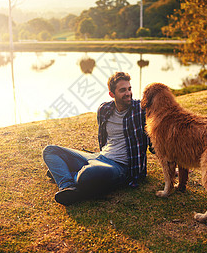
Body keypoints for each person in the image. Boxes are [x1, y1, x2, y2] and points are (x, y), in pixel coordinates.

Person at [42, 72, 150, 206]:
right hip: (99, 158)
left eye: (129, 89)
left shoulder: (140, 110)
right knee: (50, 151)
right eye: (122, 90)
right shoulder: (104, 110)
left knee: (88, 173)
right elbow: (103, 139)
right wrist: (97, 158)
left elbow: (156, 139)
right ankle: (67, 186)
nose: (128, 93)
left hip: (121, 168)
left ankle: (65, 173)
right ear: (112, 94)